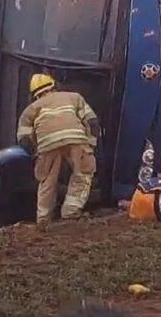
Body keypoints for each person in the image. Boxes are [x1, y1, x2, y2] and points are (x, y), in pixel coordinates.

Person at [17, 73, 100, 224]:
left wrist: (37, 155)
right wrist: (90, 146)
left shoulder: (30, 110)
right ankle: (70, 212)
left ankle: (43, 219)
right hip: (76, 139)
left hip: (47, 144)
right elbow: (93, 123)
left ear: (34, 94)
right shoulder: (74, 97)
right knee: (83, 174)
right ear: (54, 86)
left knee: (47, 182)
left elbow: (24, 139)